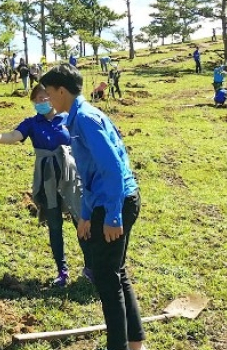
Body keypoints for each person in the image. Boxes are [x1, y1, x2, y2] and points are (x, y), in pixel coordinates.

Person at [40, 64, 146, 350]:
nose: (47, 98)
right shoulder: (77, 119)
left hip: (117, 201)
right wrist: (86, 214)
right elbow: (89, 174)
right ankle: (135, 342)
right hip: (108, 200)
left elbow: (111, 168)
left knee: (106, 278)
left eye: (49, 92)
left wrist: (111, 215)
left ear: (62, 91)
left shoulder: (85, 119)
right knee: (116, 272)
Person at [0, 84, 92, 286]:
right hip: (47, 178)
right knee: (54, 224)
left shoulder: (68, 118)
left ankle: (90, 267)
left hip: (70, 175)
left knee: (80, 220)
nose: (42, 103)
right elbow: (14, 135)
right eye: (37, 100)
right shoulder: (32, 123)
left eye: (45, 98)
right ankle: (62, 271)